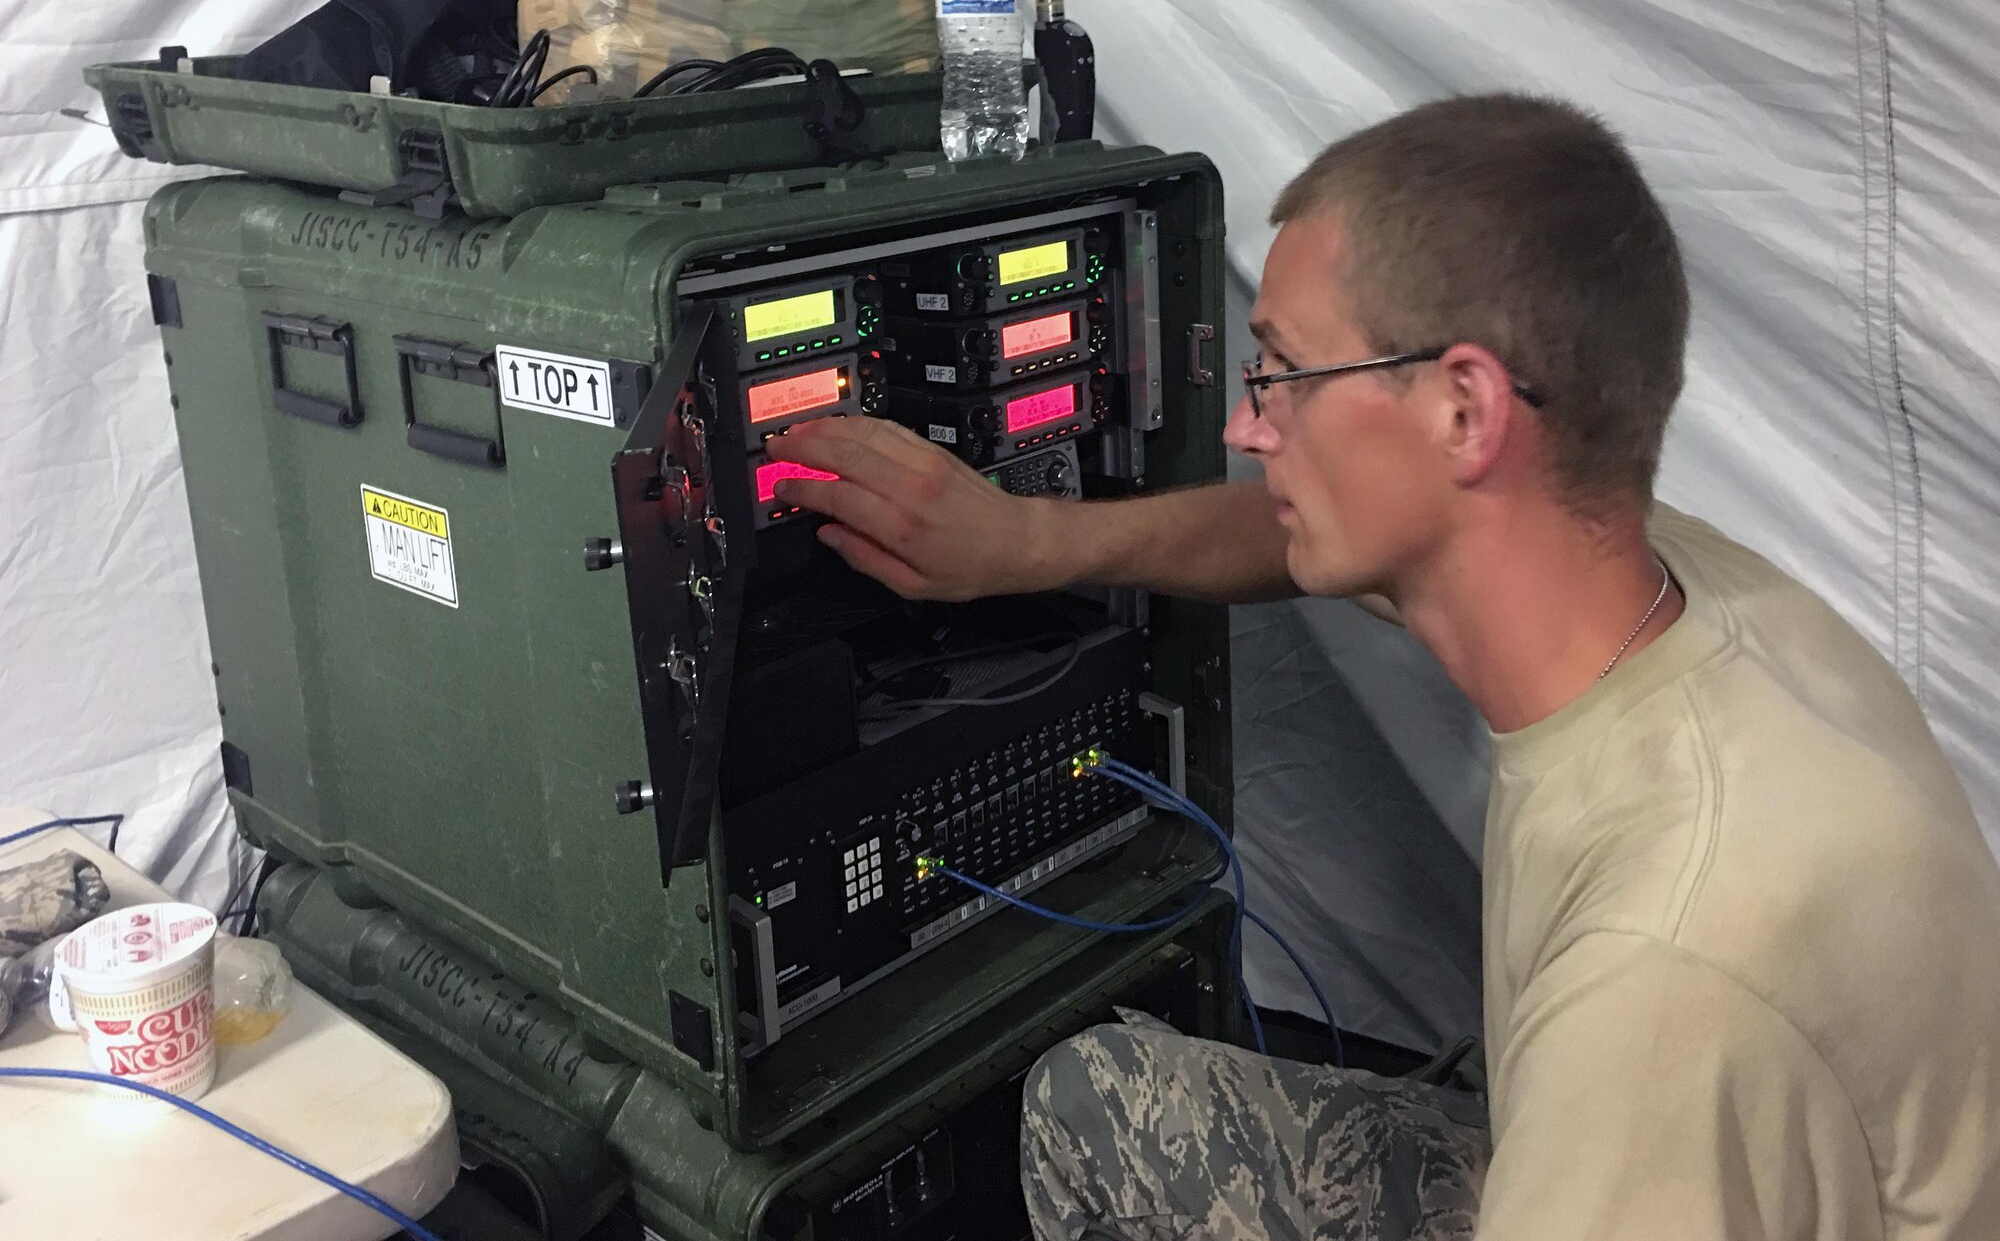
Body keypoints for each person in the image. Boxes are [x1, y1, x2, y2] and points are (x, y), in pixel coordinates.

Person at [765, 94, 2000, 1240]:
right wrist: (1024, 541)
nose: (1250, 426)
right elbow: (1295, 534)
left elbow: (1653, 1050)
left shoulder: (1663, 980)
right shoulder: (1647, 579)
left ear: (1463, 410)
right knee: (1093, 1093)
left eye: (1286, 372)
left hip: (1636, 1143)